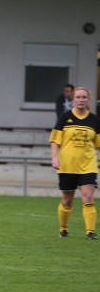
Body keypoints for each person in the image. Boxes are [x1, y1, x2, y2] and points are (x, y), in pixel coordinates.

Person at [50, 86, 100, 240]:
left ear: (88, 100)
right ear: (73, 100)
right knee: (67, 200)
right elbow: (54, 140)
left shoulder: (93, 119)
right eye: (78, 97)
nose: (81, 100)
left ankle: (90, 232)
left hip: (87, 165)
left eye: (84, 97)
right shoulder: (65, 117)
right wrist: (55, 157)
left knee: (88, 197)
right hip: (67, 165)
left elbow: (98, 144)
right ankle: (63, 229)